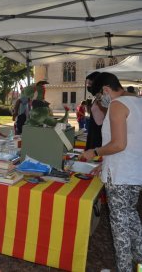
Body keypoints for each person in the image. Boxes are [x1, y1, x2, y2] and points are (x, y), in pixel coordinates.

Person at [80, 72, 142, 272]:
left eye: (99, 96)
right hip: (134, 173)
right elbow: (131, 142)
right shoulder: (137, 102)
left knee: (120, 228)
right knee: (130, 217)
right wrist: (104, 164)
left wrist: (95, 152)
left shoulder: (117, 105)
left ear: (106, 90)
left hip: (121, 177)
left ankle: (124, 268)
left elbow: (119, 144)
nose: (100, 101)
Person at [85, 71, 107, 150]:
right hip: (93, 129)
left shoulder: (103, 96)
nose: (88, 86)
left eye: (90, 84)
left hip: (98, 131)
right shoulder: (96, 96)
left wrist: (99, 98)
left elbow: (106, 111)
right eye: (88, 84)